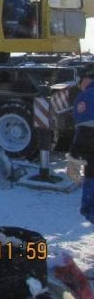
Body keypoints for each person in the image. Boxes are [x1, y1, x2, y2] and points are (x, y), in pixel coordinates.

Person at [67, 67, 94, 224]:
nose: (79, 86)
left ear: (86, 79)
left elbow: (86, 132)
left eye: (79, 82)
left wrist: (74, 159)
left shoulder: (86, 97)